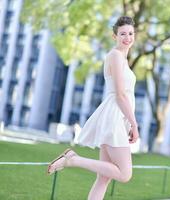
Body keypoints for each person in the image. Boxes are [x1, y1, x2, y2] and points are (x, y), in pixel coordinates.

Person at [47, 16, 139, 200]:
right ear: (114, 36)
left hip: (116, 118)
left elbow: (125, 96)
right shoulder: (114, 56)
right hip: (113, 116)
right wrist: (135, 124)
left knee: (104, 178)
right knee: (124, 174)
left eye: (130, 33)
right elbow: (120, 95)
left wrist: (128, 122)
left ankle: (73, 159)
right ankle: (73, 160)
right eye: (122, 34)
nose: (127, 37)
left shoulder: (122, 58)